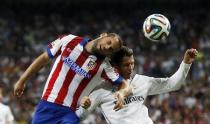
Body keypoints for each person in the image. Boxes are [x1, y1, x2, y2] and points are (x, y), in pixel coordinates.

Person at [14, 33, 131, 124]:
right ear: (103, 35)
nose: (107, 47)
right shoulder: (69, 40)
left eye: (111, 49)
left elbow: (124, 84)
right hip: (47, 104)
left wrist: (121, 93)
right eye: (108, 42)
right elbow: (44, 58)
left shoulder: (104, 66)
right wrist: (22, 80)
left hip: (69, 113)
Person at [76, 46, 198, 124]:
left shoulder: (142, 81)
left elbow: (173, 84)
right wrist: (85, 105)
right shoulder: (101, 89)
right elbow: (79, 116)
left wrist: (186, 63)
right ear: (115, 66)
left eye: (132, 63)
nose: (131, 68)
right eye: (126, 65)